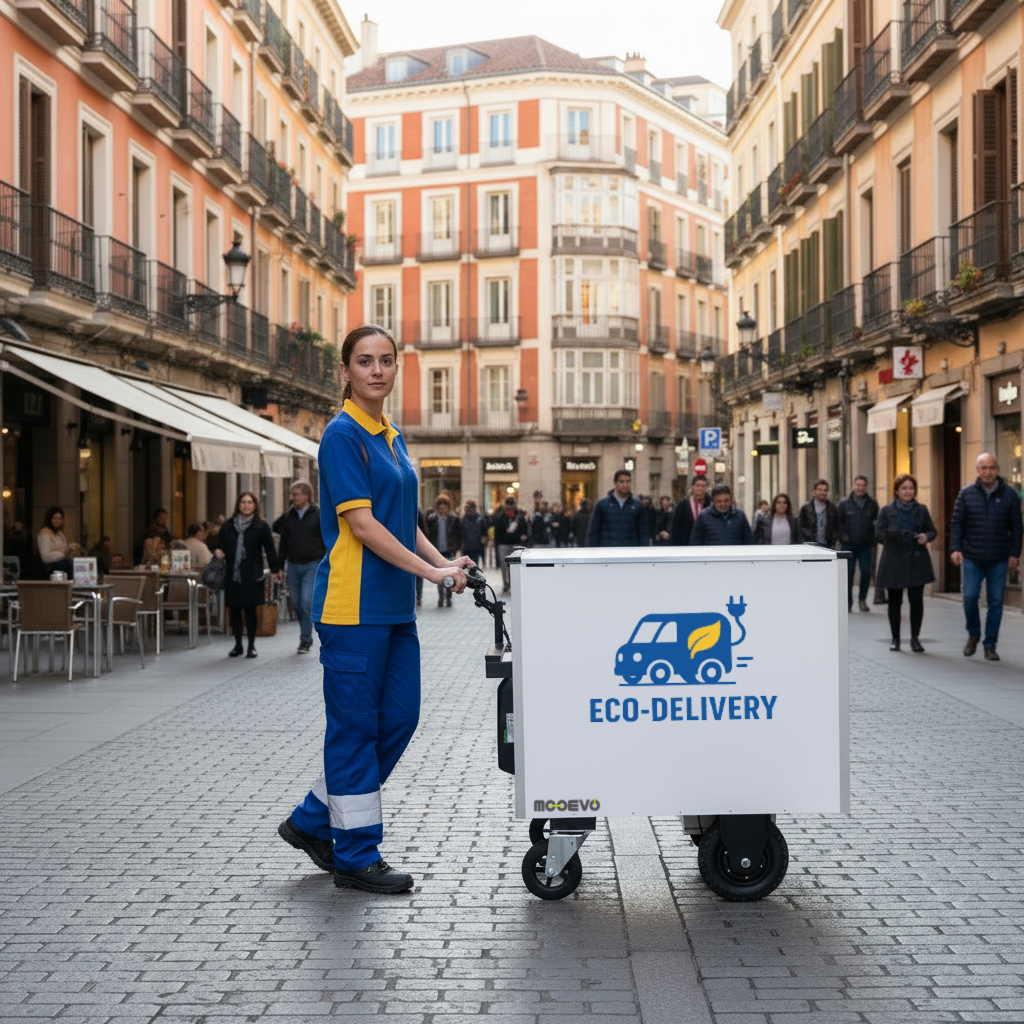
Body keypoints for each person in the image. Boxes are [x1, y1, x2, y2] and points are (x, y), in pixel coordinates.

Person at [280, 324, 473, 895]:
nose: (377, 370)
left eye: (386, 360)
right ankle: (356, 855)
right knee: (355, 730)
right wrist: (431, 574)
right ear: (345, 370)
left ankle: (314, 820)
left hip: (392, 609)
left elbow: (402, 523)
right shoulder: (342, 436)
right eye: (364, 361)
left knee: (401, 719)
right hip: (352, 608)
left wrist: (446, 563)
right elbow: (362, 525)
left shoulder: (392, 436)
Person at [949, 452, 1023, 661]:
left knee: (996, 602)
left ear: (997, 470)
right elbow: (956, 524)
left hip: (999, 558)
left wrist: (1014, 554)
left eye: (991, 467)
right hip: (972, 556)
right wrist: (955, 548)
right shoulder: (966, 494)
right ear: (977, 470)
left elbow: (1017, 527)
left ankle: (990, 644)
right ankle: (973, 633)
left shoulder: (1009, 495)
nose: (988, 472)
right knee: (970, 597)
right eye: (984, 468)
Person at [213, 491, 280, 659]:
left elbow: (270, 549)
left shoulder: (260, 526)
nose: (246, 505)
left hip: (252, 574)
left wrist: (275, 569)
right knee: (234, 610)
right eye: (243, 502)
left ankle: (251, 645)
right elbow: (218, 544)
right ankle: (237, 645)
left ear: (255, 505)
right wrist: (218, 551)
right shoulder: (228, 525)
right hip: (233, 575)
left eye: (250, 502)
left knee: (250, 610)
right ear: (238, 505)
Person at [875, 473, 936, 653]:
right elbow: (878, 534)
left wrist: (926, 537)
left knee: (916, 601)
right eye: (904, 488)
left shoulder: (922, 510)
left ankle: (915, 638)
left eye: (911, 488)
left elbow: (932, 531)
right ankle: (895, 639)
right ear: (896, 491)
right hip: (894, 559)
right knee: (895, 601)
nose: (908, 492)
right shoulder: (887, 511)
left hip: (916, 559)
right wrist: (890, 533)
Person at [277, 481, 326, 654]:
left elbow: (325, 537)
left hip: (312, 563)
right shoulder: (288, 516)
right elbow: (283, 541)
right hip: (293, 564)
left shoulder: (318, 513)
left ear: (306, 495)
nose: (294, 498)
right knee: (297, 604)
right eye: (292, 494)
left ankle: (306, 640)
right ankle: (305, 634)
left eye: (297, 494)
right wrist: (279, 566)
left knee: (306, 602)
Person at [837, 475, 880, 613]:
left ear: (866, 487)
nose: (860, 488)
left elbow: (877, 523)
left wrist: (873, 538)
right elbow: (838, 523)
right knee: (848, 573)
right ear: (853, 485)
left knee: (866, 572)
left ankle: (862, 600)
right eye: (858, 485)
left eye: (863, 485)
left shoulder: (872, 504)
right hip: (848, 545)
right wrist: (843, 537)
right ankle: (848, 602)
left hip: (866, 545)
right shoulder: (844, 503)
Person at [587, 469, 649, 547]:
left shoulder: (638, 505)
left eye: (628, 481)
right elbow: (593, 532)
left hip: (630, 552)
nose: (625, 485)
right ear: (615, 483)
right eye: (621, 481)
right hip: (608, 552)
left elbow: (643, 533)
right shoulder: (602, 505)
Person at [425, 494, 463, 607]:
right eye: (440, 505)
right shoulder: (432, 519)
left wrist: (458, 548)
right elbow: (428, 535)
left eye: (445, 505)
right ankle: (441, 598)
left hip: (450, 550)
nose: (443, 507)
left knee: (450, 575)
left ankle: (449, 598)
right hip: (437, 551)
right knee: (440, 576)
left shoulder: (454, 519)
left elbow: (459, 534)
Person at [494, 495, 531, 592]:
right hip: (503, 543)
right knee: (504, 565)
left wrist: (523, 537)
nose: (510, 507)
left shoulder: (519, 516)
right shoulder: (500, 516)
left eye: (511, 504)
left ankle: (512, 583)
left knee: (514, 565)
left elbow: (525, 528)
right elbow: (497, 531)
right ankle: (506, 583)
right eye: (508, 504)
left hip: (516, 543)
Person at [670, 475, 711, 545]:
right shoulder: (682, 505)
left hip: (706, 544)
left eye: (703, 486)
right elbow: (675, 528)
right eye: (698, 486)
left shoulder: (710, 504)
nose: (700, 488)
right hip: (686, 544)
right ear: (693, 487)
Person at [37, 507, 77, 576]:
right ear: (50, 519)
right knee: (70, 563)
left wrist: (69, 549)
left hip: (62, 563)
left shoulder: (60, 534)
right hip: (51, 567)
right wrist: (63, 554)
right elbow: (45, 557)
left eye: (60, 519)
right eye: (55, 518)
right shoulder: (44, 533)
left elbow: (64, 551)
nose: (57, 521)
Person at [798, 479, 839, 548]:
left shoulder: (832, 508)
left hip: (828, 545)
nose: (822, 492)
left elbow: (836, 526)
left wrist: (834, 540)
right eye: (820, 490)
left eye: (825, 490)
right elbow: (800, 527)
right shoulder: (806, 508)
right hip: (811, 545)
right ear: (814, 491)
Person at [461, 500, 489, 569]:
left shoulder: (480, 518)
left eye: (468, 507)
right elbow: (461, 532)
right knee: (467, 566)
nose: (467, 509)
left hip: (477, 546)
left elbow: (485, 531)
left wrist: (484, 540)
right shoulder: (463, 519)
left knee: (474, 565)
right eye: (466, 508)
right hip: (467, 546)